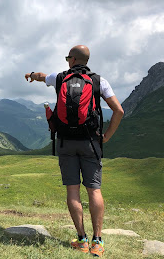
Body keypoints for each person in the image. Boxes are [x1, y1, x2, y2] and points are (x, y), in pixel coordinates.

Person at [25, 45, 124, 257]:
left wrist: (32, 75)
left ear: (73, 59)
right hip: (90, 142)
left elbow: (43, 76)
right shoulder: (99, 81)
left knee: (73, 190)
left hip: (66, 142)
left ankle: (82, 239)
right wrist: (106, 137)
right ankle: (97, 242)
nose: (67, 60)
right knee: (94, 190)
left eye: (68, 57)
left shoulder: (59, 78)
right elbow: (119, 110)